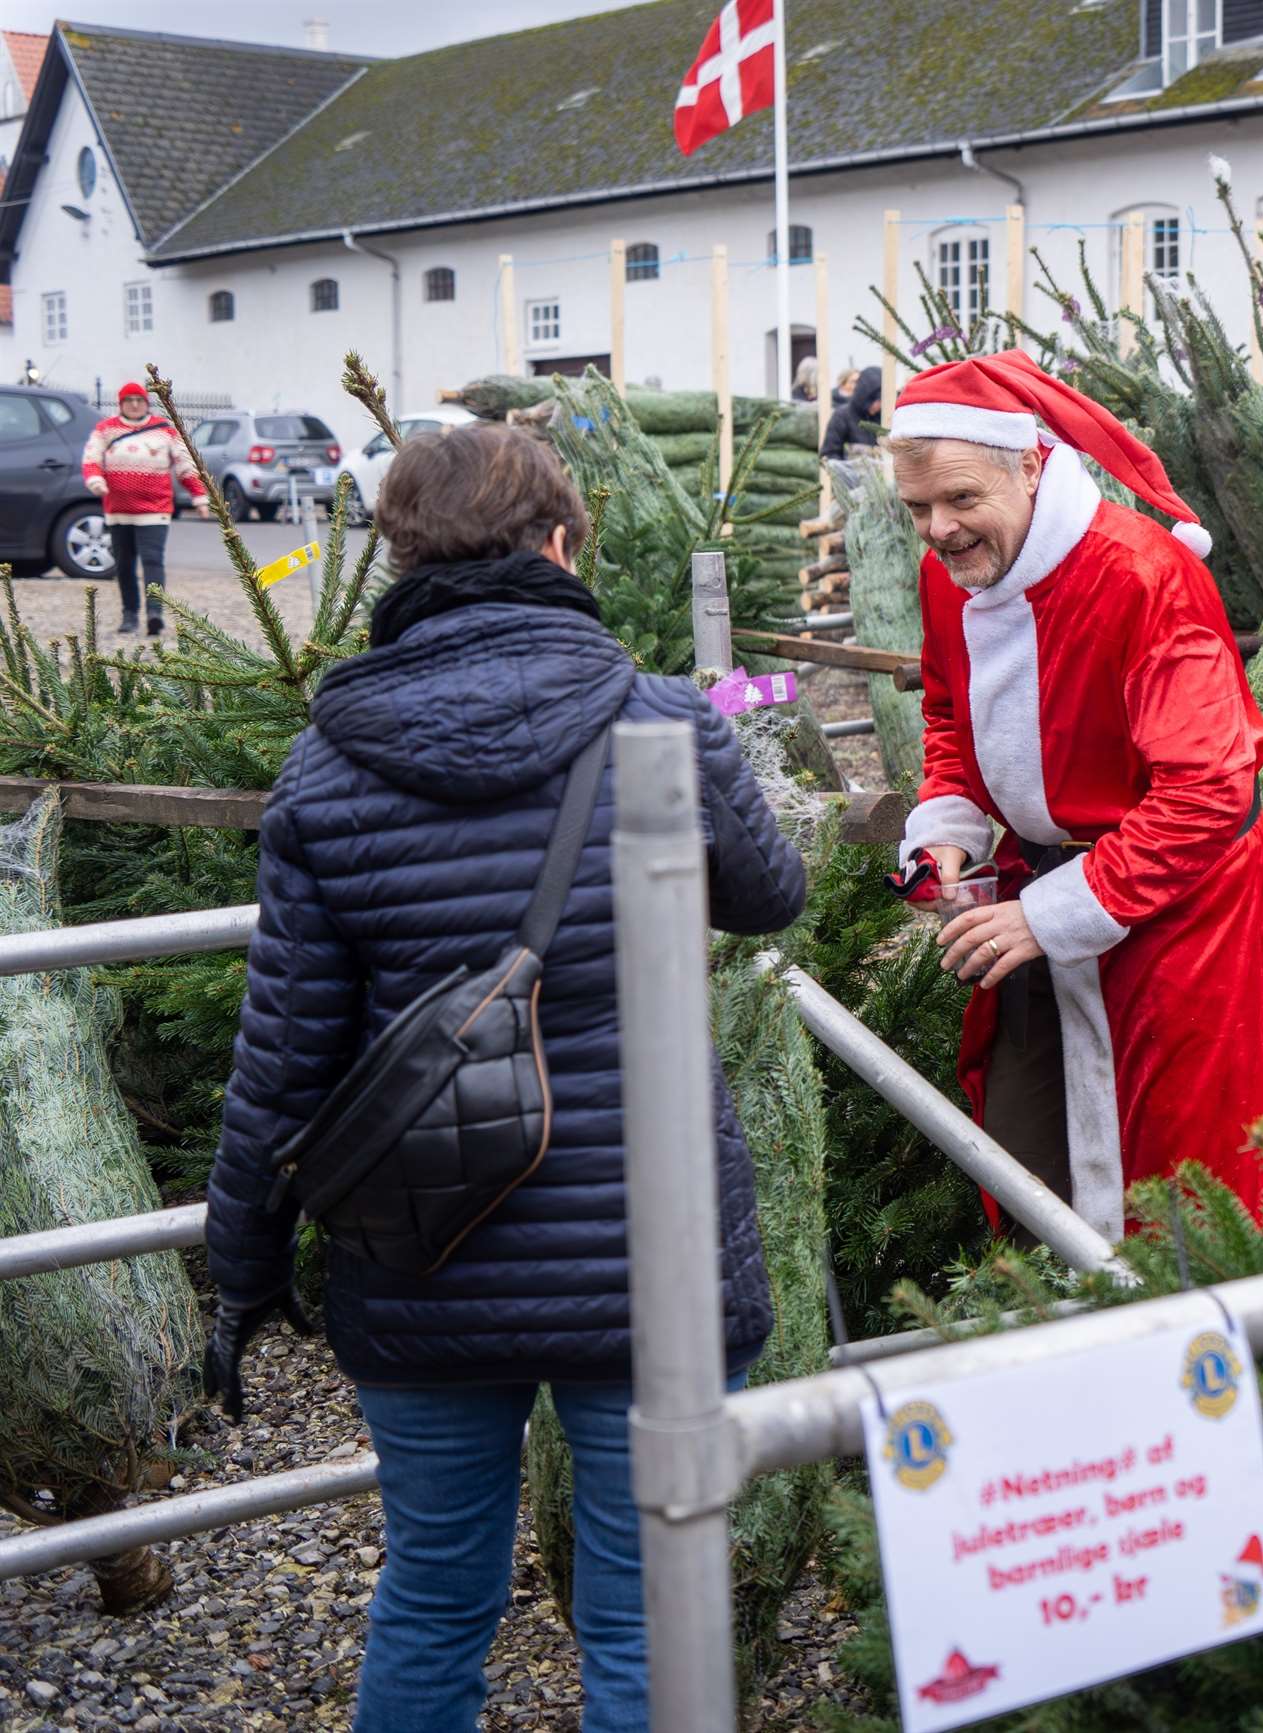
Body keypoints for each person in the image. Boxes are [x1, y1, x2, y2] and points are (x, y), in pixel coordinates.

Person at [200, 423, 808, 1733]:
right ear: (559, 544)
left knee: (431, 1595)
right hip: (649, 1261)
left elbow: (282, 1057)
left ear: (402, 559)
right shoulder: (662, 717)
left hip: (423, 1255)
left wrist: (241, 1267)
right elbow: (771, 896)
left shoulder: (327, 765)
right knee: (648, 1616)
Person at [890, 350, 1263, 1239]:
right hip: (1037, 887)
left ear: (1030, 467)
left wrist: (1054, 913)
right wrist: (946, 831)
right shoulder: (948, 576)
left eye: (960, 498)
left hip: (1177, 905)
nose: (939, 529)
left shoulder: (1144, 577)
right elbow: (950, 714)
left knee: (1183, 1155)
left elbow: (1207, 792)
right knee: (1026, 1140)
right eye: (917, 507)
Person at [80, 380, 209, 636]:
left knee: (152, 560)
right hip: (118, 510)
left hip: (155, 509)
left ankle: (154, 613)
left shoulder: (165, 431)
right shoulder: (106, 429)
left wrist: (200, 497)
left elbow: (185, 466)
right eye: (129, 400)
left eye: (139, 400)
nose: (135, 404)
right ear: (121, 404)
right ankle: (129, 615)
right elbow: (91, 459)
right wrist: (95, 481)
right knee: (124, 564)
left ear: (146, 403)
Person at [821, 364, 883, 458]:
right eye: (875, 400)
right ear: (864, 395)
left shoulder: (884, 417)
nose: (878, 405)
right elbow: (829, 454)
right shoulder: (842, 416)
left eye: (881, 401)